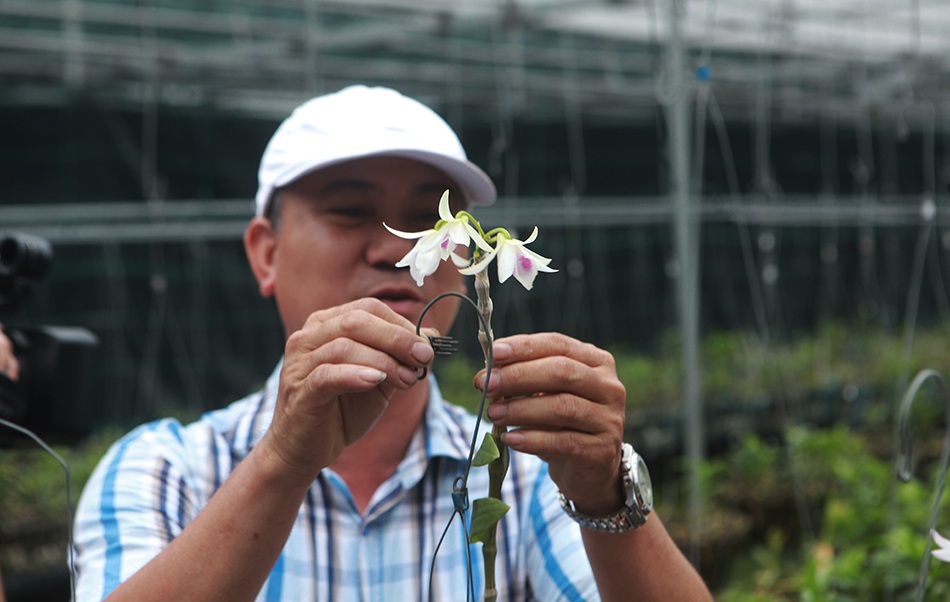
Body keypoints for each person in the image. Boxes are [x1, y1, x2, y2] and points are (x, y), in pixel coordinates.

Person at [72, 85, 712, 601]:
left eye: (432, 224)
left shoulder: (519, 479)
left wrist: (603, 491)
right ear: (265, 254)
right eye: (351, 212)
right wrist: (283, 463)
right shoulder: (167, 471)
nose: (398, 251)